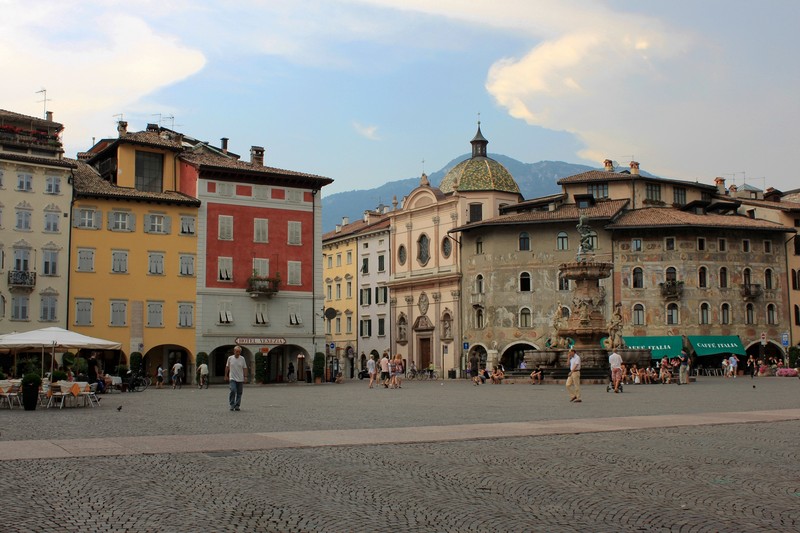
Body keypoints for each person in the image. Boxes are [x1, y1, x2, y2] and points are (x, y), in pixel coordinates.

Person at [225, 346, 248, 411]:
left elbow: (245, 368)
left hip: (240, 378)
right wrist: (226, 375)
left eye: (239, 352)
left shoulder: (242, 358)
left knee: (239, 392)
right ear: (234, 351)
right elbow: (227, 367)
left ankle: (237, 405)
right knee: (233, 390)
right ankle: (232, 404)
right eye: (236, 351)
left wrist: (245, 376)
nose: (238, 353)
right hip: (232, 378)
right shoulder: (230, 358)